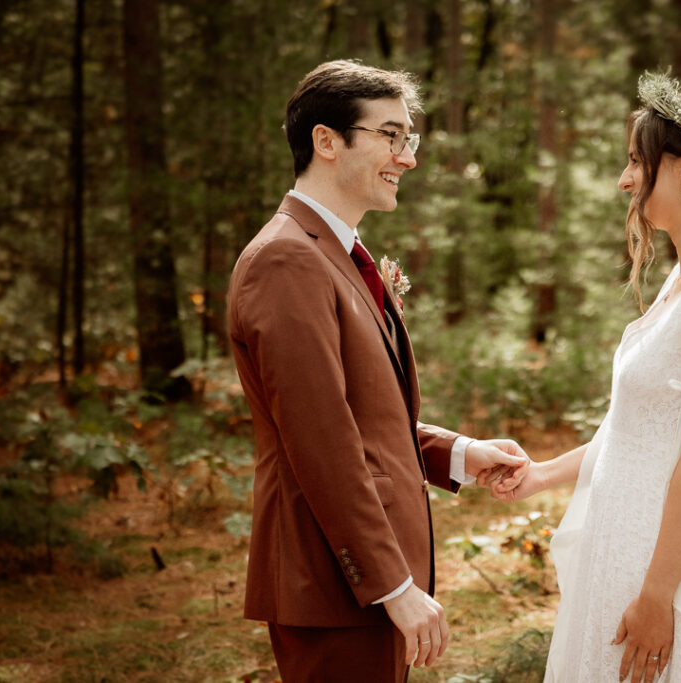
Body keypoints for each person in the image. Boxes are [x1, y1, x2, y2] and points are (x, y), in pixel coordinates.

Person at [227, 60, 529, 683]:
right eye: (390, 136)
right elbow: (321, 441)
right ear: (326, 141)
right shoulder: (285, 259)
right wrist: (391, 585)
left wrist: (460, 453)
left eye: (408, 138)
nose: (408, 157)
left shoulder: (336, 254)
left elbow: (361, 417)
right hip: (335, 581)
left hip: (358, 583)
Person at [487, 72, 681, 682]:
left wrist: (658, 596)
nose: (625, 180)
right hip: (620, 535)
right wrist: (541, 476)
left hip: (668, 564)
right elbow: (635, 429)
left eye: (636, 161)